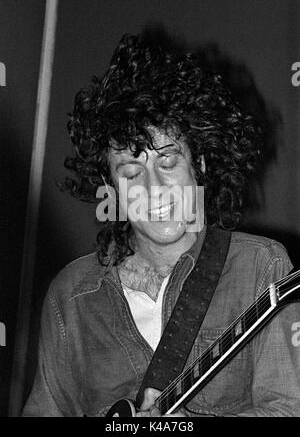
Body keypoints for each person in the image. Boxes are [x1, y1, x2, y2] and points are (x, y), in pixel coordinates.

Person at [23, 34, 300, 417]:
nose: (153, 190)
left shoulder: (261, 268)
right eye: (132, 172)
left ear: (199, 164)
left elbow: (289, 410)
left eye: (167, 163)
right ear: (111, 188)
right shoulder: (71, 297)